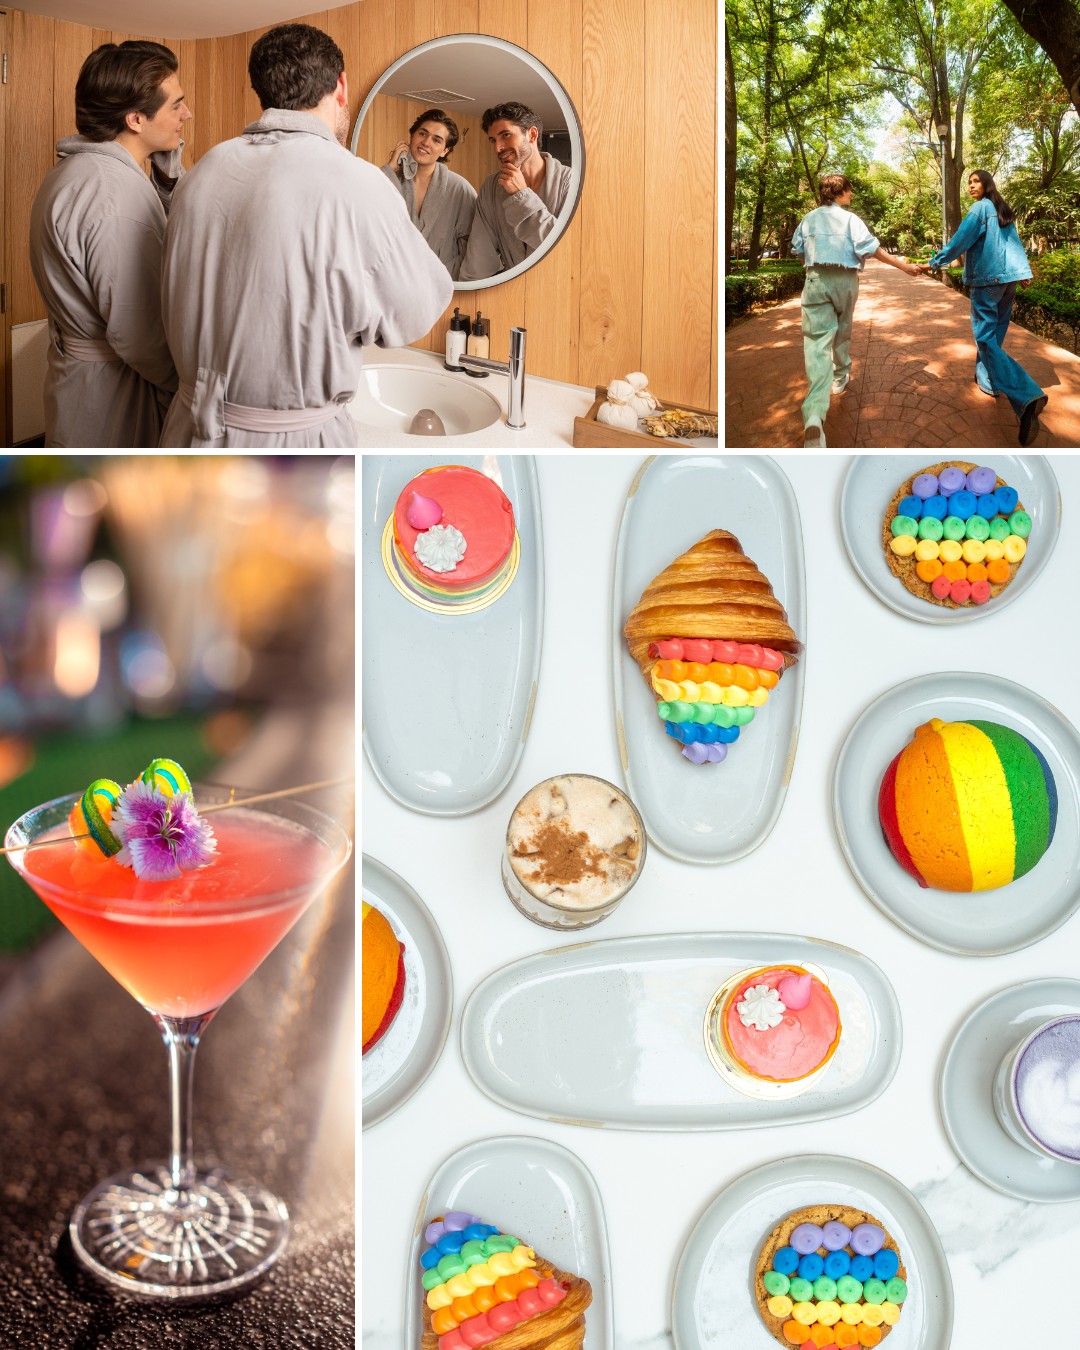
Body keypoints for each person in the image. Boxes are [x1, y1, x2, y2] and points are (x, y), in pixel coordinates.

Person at [160, 23, 453, 447]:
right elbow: (412, 314)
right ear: (342, 86)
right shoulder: (360, 184)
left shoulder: (202, 172)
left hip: (187, 429)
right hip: (290, 444)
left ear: (264, 90)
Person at [29, 41, 190, 447]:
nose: (186, 115)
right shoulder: (111, 195)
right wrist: (188, 389)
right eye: (176, 105)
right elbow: (139, 333)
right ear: (136, 118)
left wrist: (167, 182)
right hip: (113, 397)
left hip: (83, 380)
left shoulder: (78, 169)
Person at [791, 173, 923, 447]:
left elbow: (798, 249)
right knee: (842, 329)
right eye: (849, 191)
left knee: (816, 344)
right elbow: (872, 249)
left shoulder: (809, 218)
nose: (851, 195)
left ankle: (815, 413)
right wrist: (904, 267)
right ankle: (840, 376)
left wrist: (812, 265)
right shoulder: (851, 220)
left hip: (816, 278)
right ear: (840, 192)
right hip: (846, 280)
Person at [925, 170, 1046, 447]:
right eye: (968, 182)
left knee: (985, 338)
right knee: (995, 334)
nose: (971, 186)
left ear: (987, 184)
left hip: (988, 281)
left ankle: (1026, 395)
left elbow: (960, 241)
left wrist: (935, 262)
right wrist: (1023, 272)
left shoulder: (980, 209)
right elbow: (1013, 245)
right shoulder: (1002, 209)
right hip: (1009, 281)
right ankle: (988, 381)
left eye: (976, 181)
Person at [457, 101, 571, 282]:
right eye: (493, 140)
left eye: (506, 135)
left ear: (532, 135)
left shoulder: (569, 182)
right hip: (511, 293)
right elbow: (479, 255)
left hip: (561, 289)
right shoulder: (492, 186)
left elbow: (568, 251)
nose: (498, 148)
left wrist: (522, 197)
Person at [383, 109, 476, 279]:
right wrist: (390, 168)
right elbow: (368, 216)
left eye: (436, 140)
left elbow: (474, 244)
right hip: (395, 277)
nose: (426, 142)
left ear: (444, 151)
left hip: (442, 279)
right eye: (422, 134)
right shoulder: (390, 180)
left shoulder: (459, 188)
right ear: (412, 137)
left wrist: (455, 279)